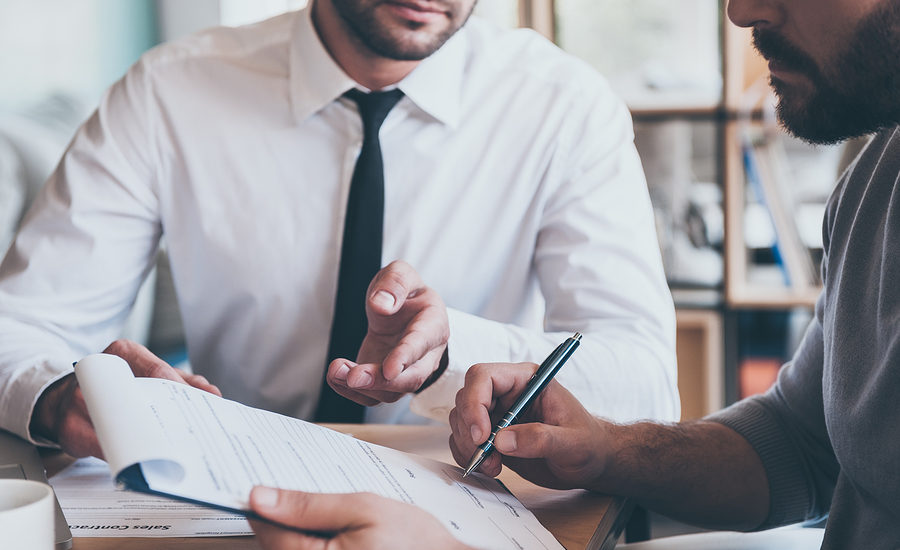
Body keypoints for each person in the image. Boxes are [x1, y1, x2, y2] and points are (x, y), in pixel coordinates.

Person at [244, 0, 900, 548]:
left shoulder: (559, 100)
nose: (741, 11)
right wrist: (606, 451)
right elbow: (802, 447)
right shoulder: (876, 175)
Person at [0, 0, 678, 457]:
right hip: (233, 497)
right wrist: (59, 395)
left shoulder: (566, 108)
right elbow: (20, 326)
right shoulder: (166, 94)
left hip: (471, 504)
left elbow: (644, 385)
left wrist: (452, 355)